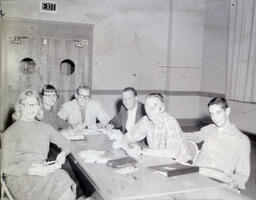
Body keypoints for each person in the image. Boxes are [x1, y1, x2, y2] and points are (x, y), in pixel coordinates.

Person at [1, 88, 76, 200]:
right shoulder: (11, 132)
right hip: (20, 177)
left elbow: (69, 144)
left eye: (36, 105)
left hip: (43, 170)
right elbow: (6, 168)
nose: (33, 109)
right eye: (29, 105)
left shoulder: (45, 127)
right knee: (60, 183)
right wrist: (33, 170)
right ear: (21, 106)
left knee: (63, 178)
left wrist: (63, 154)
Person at [184, 97, 250, 191]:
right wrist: (175, 133)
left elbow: (242, 174)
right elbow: (193, 136)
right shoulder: (208, 129)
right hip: (197, 175)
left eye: (218, 113)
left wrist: (233, 184)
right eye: (212, 114)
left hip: (219, 181)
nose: (215, 118)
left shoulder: (241, 140)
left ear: (227, 111)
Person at [114, 93, 188, 161]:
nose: (149, 110)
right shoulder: (146, 120)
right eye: (147, 106)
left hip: (180, 163)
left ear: (162, 108)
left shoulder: (169, 122)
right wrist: (125, 144)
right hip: (159, 160)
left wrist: (142, 151)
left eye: (154, 106)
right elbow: (129, 137)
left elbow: (171, 152)